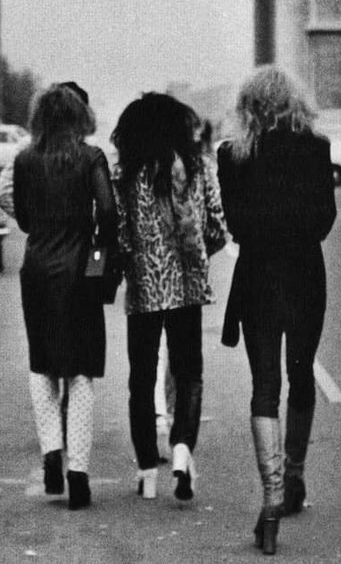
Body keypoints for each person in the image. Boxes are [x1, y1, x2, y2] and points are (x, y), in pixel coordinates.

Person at [217, 65, 337, 556]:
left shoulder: (231, 155)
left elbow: (237, 225)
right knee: (301, 373)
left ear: (248, 107)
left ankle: (269, 506)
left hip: (258, 278)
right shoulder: (316, 148)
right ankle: (295, 479)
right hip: (305, 274)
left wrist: (266, 228)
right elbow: (324, 220)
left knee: (265, 384)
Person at [0, 82, 117, 510]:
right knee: (81, 372)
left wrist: (42, 227)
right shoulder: (91, 158)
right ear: (78, 118)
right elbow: (108, 213)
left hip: (38, 272)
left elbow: (23, 216)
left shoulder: (24, 159)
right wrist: (98, 264)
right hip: (81, 272)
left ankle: (51, 451)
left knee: (42, 363)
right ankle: (78, 473)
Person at [111, 93, 227, 503]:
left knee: (140, 380)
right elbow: (217, 228)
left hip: (144, 287)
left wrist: (137, 262)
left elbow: (120, 235)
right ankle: (181, 449)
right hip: (187, 286)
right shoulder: (199, 169)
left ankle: (146, 470)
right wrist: (194, 261)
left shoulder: (125, 173)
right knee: (188, 371)